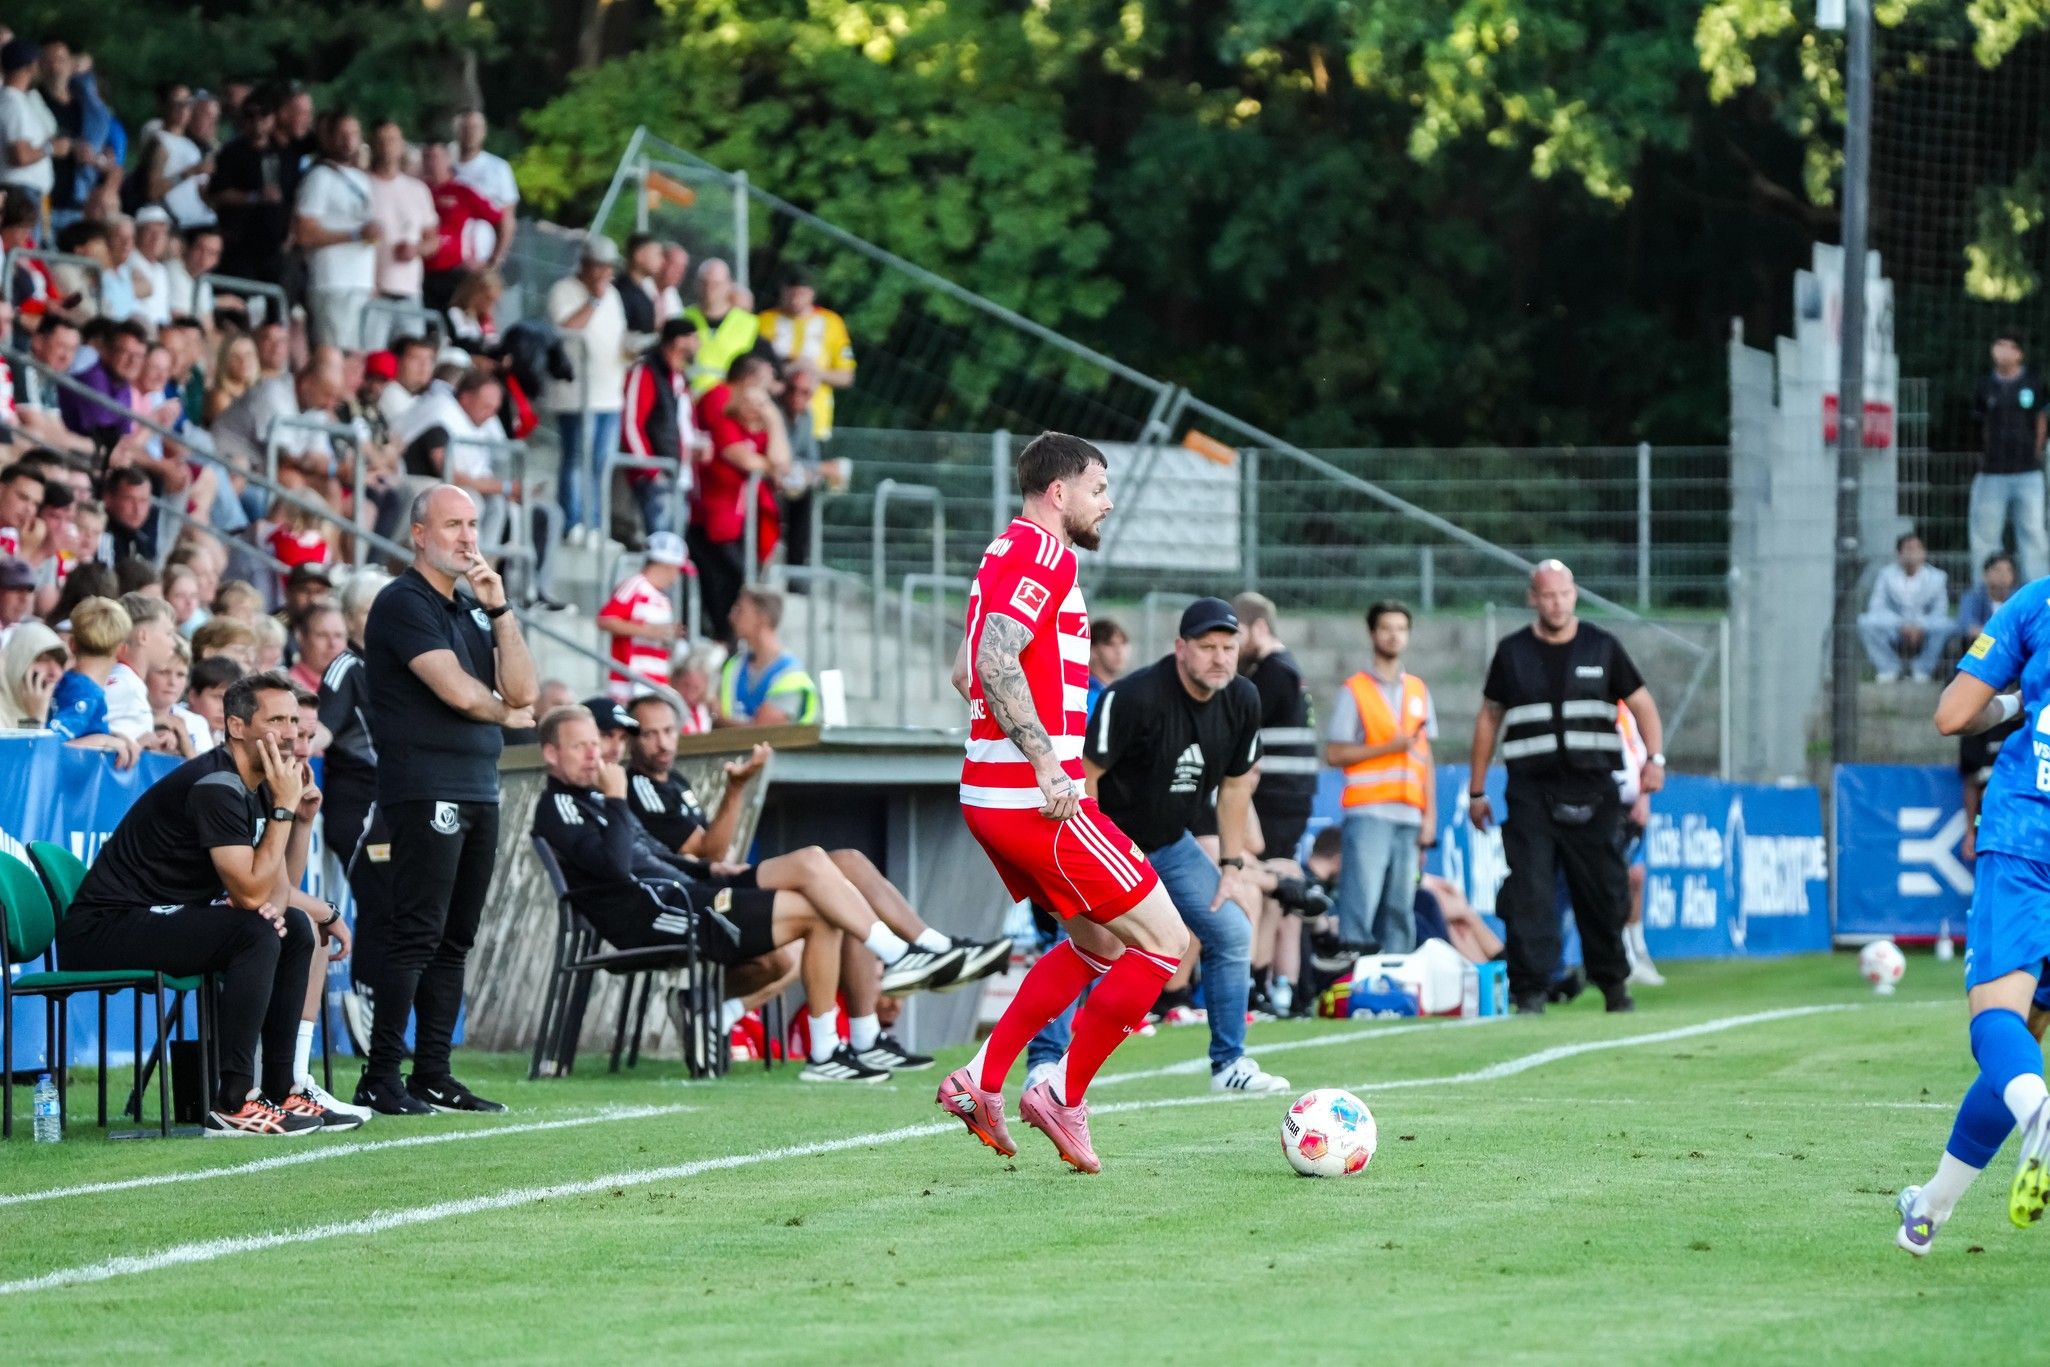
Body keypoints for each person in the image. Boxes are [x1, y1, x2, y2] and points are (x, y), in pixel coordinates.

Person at [937, 432, 1193, 1174]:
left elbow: (964, 672)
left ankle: (982, 1078)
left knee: (1101, 945)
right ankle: (1060, 1093)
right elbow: (992, 662)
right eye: (1098, 488)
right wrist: (1048, 762)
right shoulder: (1047, 555)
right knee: (1165, 943)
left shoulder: (1001, 551)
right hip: (1035, 800)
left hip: (992, 794)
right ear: (1059, 492)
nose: (1106, 503)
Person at [533, 703, 956, 1082]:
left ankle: (892, 970)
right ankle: (843, 1027)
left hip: (691, 890)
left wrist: (709, 868)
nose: (595, 755)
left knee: (817, 863)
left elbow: (656, 857)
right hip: (663, 912)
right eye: (580, 747)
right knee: (819, 911)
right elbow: (616, 868)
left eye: (595, 744)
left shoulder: (597, 799)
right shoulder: (561, 806)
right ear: (551, 753)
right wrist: (617, 800)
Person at [56, 670, 339, 1135]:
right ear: (236, 727)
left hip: (156, 918)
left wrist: (297, 819)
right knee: (255, 931)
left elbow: (276, 894)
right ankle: (234, 1102)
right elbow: (250, 895)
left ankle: (280, 1089)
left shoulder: (258, 786)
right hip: (104, 928)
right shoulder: (216, 784)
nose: (291, 733)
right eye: (277, 721)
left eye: (294, 720)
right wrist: (282, 811)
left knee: (292, 927)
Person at [354, 483, 537, 1117]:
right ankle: (381, 1076)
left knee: (455, 938)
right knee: (417, 933)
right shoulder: (402, 601)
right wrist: (506, 715)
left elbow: (524, 688)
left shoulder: (473, 607)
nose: (468, 537)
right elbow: (458, 691)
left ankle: (432, 1073)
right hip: (424, 786)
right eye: (453, 524)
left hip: (479, 785)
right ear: (419, 535)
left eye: (473, 525)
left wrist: (502, 609)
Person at [622, 691, 1007, 993]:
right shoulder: (638, 785)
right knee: (818, 875)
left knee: (848, 868)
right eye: (651, 734)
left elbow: (710, 851)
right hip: (701, 895)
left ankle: (934, 948)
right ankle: (901, 956)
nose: (663, 743)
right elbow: (711, 853)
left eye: (668, 731)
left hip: (716, 881)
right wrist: (737, 788)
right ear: (631, 739)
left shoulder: (674, 782)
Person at [1897, 586, 2050, 1253]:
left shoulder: (2037, 603)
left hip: (2028, 833)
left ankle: (2040, 1117)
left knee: (1996, 1020)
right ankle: (1930, 1208)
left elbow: (1953, 715)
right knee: (2025, 1039)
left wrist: (2018, 702)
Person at [1468, 560, 1663, 1015]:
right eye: (1547, 595)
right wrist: (1477, 791)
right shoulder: (1512, 652)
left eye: (1564, 594)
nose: (1556, 603)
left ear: (1574, 595)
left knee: (1604, 893)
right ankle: (1530, 992)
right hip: (1532, 793)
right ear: (1532, 598)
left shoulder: (1602, 646)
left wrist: (1654, 760)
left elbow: (1642, 703)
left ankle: (1614, 986)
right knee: (1530, 893)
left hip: (1594, 791)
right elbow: (1489, 718)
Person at [1324, 599, 1438, 955]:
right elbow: (1335, 753)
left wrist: (1429, 817)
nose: (1394, 636)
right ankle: (1355, 972)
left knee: (1400, 907)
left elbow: (1425, 758)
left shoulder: (1418, 690)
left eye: (1401, 629)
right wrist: (1389, 747)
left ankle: (1398, 974)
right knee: (1360, 902)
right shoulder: (1355, 689)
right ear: (1373, 633)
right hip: (1369, 813)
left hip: (1409, 816)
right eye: (1386, 628)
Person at [691, 355, 788, 639]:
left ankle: (732, 638)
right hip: (715, 520)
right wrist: (771, 467)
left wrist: (774, 422)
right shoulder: (724, 420)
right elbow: (744, 460)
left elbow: (781, 463)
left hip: (745, 521)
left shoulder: (759, 431)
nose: (758, 408)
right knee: (735, 579)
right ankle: (727, 637)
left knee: (740, 580)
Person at [544, 235, 628, 542]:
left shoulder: (614, 295)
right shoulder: (563, 290)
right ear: (585, 265)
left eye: (609, 268)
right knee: (577, 458)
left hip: (609, 393)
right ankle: (572, 521)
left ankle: (594, 523)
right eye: (600, 267)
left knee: (601, 463)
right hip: (577, 394)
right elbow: (565, 330)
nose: (605, 274)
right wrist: (593, 300)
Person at [1232, 591, 1318, 855]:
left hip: (1275, 797)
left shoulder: (1272, 673)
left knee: (1266, 866)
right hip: (1289, 795)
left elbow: (1236, 724)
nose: (1233, 645)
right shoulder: (1286, 669)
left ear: (1259, 628)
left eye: (1237, 634)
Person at [293, 111, 379, 351]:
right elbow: (304, 232)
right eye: (342, 134)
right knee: (335, 353)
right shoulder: (319, 177)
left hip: (361, 283)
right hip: (332, 282)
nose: (348, 141)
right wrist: (354, 235)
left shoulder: (362, 179)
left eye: (353, 133)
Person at [1970, 333, 2048, 583]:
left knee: (2033, 534)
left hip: (2028, 472)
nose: (2003, 350)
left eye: (2009, 346)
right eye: (1999, 344)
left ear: (2019, 353)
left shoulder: (2033, 383)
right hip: (1992, 472)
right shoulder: (1985, 385)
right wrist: (1985, 459)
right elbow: (1979, 426)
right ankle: (1986, 593)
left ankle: (2039, 596)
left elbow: (2041, 421)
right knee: (1985, 536)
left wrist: (2034, 455)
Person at [618, 318, 699, 538]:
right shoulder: (646, 371)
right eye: (694, 338)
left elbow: (684, 423)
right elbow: (631, 425)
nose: (698, 345)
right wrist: (651, 470)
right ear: (677, 342)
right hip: (658, 475)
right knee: (660, 541)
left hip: (680, 475)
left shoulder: (680, 378)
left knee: (676, 544)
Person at [363, 117, 438, 351]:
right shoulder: (362, 185)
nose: (387, 146)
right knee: (372, 354)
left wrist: (416, 250)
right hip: (374, 292)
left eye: (393, 140)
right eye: (382, 140)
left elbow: (433, 239)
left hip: (409, 292)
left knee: (411, 354)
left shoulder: (417, 190)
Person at [758, 266, 855, 441]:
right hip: (772, 416)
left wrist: (814, 372)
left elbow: (846, 376)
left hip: (816, 420)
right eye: (792, 293)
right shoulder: (765, 321)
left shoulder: (831, 322)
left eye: (801, 294)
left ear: (812, 293)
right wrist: (789, 369)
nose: (796, 299)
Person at [418, 140, 504, 313]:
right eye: (426, 158)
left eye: (435, 157)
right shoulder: (418, 191)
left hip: (453, 271)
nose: (430, 163)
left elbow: (500, 220)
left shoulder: (462, 192)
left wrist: (493, 259)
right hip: (421, 269)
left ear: (447, 159)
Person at [1858, 530, 1953, 684]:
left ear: (1924, 552)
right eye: (1909, 549)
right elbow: (1876, 606)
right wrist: (1901, 624)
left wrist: (1920, 625)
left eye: (1917, 548)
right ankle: (1888, 669)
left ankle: (1922, 670)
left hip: (1925, 629)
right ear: (1899, 553)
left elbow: (1940, 610)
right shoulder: (1886, 575)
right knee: (1865, 622)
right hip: (1895, 628)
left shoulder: (1937, 577)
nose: (1913, 553)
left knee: (1946, 625)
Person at [597, 530, 685, 697]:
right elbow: (606, 619)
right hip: (629, 685)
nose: (676, 576)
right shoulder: (635, 585)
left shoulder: (662, 599)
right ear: (667, 565)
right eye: (677, 569)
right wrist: (650, 630)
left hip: (653, 684)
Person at [682, 258, 767, 394]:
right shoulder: (683, 318)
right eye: (704, 283)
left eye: (716, 284)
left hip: (729, 400)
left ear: (729, 285)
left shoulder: (748, 324)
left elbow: (765, 367)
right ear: (696, 284)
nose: (709, 289)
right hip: (689, 396)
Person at [448, 108, 517, 268]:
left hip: (482, 258)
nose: (470, 133)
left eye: (475, 128)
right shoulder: (443, 165)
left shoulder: (498, 169)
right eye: (465, 128)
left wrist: (496, 258)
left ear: (484, 132)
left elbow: (507, 217)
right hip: (447, 257)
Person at [0, 39, 60, 206]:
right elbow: (20, 155)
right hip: (20, 193)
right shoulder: (12, 102)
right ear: (31, 67)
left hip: (24, 192)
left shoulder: (16, 100)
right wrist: (52, 148)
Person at [0, 619, 65, 728]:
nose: (56, 673)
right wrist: (34, 720)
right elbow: (26, 740)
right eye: (43, 659)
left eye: (61, 662)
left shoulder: (54, 711)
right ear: (16, 661)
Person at [1959, 552, 2019, 648]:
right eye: (1998, 570)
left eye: (2008, 570)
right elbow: (1967, 625)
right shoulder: (1973, 596)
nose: (2003, 575)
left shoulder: (2019, 598)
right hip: (1982, 646)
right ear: (1986, 574)